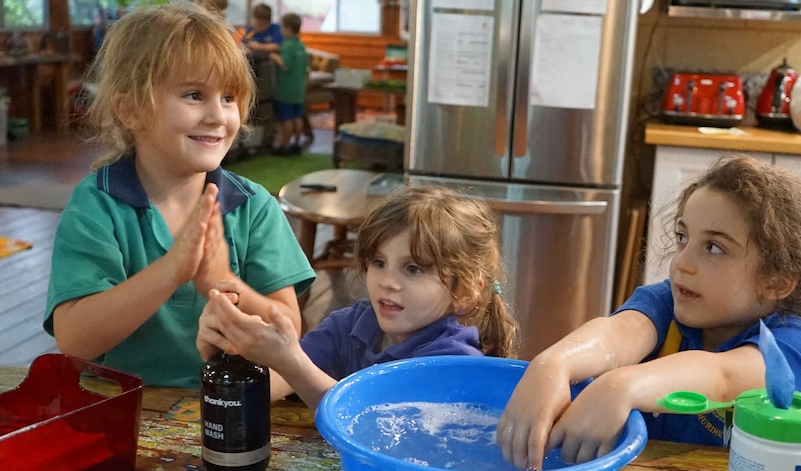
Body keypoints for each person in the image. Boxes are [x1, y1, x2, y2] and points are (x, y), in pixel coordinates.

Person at [43, 2, 316, 389]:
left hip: (225, 410)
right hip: (120, 415)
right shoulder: (98, 206)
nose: (218, 116)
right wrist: (172, 270)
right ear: (131, 110)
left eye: (228, 97)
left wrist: (222, 280)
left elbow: (287, 328)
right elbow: (74, 340)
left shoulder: (252, 206)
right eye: (193, 95)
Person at [497, 154, 801, 469]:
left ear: (776, 281)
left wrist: (622, 385)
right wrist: (554, 362)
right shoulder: (667, 303)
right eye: (682, 237)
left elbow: (723, 377)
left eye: (714, 247)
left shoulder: (790, 346)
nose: (681, 262)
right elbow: (622, 332)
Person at [196, 186, 520, 408]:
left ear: (464, 290)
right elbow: (278, 382)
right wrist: (231, 358)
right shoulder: (351, 325)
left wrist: (289, 359)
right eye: (379, 263)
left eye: (414, 269)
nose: (388, 282)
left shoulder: (455, 361)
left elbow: (371, 425)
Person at [269, 12, 309, 156]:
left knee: (286, 118)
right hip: (299, 90)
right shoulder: (301, 46)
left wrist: (273, 56)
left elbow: (285, 65)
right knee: (297, 117)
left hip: (285, 90)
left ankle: (284, 145)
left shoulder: (287, 45)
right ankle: (296, 143)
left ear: (287, 28)